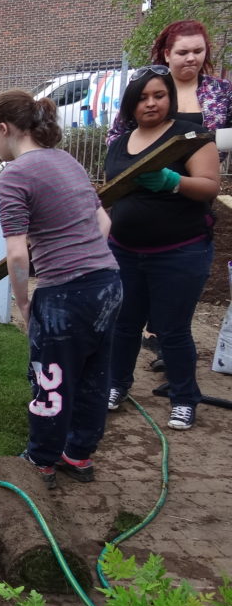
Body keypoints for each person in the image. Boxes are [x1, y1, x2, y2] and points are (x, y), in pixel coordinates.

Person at [0, 89, 122, 489]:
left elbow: (16, 255)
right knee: (95, 375)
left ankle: (41, 461)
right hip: (108, 285)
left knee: (51, 378)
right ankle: (78, 454)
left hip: (65, 294)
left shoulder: (14, 175)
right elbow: (104, 226)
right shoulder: (67, 161)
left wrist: (25, 302)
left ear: (5, 129)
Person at [104, 65, 220, 430]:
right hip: (124, 249)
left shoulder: (190, 136)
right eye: (142, 98)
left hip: (180, 251)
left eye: (159, 95)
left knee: (172, 329)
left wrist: (173, 182)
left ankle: (184, 396)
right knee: (123, 324)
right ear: (130, 104)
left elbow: (209, 187)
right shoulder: (120, 143)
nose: (151, 103)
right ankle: (117, 384)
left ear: (170, 97)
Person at [108, 20, 232, 143]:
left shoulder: (222, 90)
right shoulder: (146, 86)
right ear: (167, 54)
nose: (191, 58)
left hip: (205, 162)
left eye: (198, 51)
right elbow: (115, 135)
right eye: (182, 53)